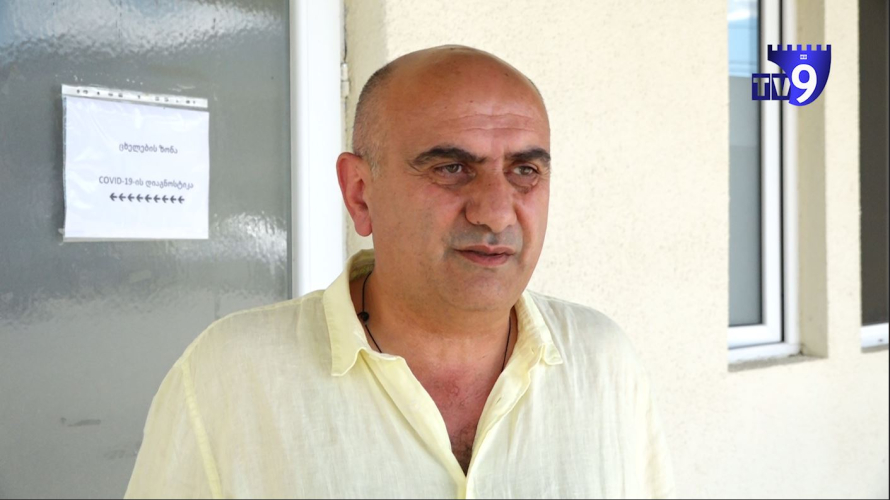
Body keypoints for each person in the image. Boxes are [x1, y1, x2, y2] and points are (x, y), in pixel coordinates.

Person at [125, 45, 675, 499]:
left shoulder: (604, 365)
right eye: (452, 168)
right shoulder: (230, 378)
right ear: (360, 193)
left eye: (525, 170)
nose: (496, 213)